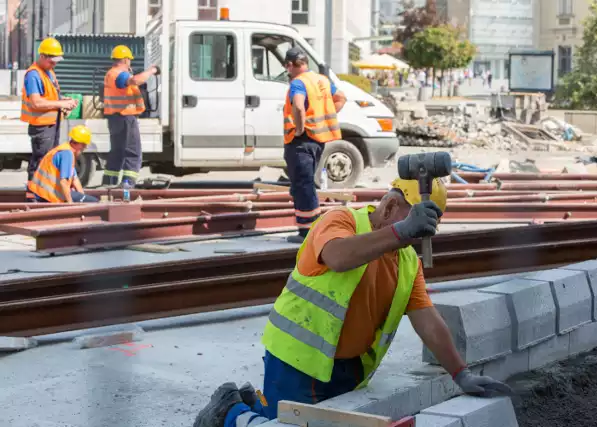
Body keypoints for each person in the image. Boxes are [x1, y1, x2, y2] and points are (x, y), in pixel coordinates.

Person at [193, 178, 512, 427]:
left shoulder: (406, 263)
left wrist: (460, 373)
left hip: (348, 368)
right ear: (389, 206)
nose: (416, 235)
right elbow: (338, 256)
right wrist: (401, 232)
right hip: (298, 358)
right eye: (413, 221)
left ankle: (254, 405)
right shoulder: (340, 220)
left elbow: (426, 320)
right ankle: (230, 413)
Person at [282, 47, 347, 244]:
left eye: (288, 67)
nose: (287, 71)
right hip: (318, 140)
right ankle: (312, 228)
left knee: (303, 185)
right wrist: (323, 118)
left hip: (301, 140)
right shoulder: (322, 80)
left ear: (292, 65)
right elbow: (341, 98)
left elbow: (299, 106)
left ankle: (307, 233)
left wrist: (300, 128)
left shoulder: (298, 83)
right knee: (306, 183)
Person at [21, 37, 78, 202]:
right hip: (41, 126)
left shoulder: (48, 72)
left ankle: (44, 195)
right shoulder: (34, 75)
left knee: (48, 161)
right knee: (40, 161)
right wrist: (61, 103)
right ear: (43, 56)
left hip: (51, 125)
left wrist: (64, 101)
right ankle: (33, 197)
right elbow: (36, 102)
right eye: (52, 61)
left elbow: (51, 96)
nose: (55, 65)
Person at [101, 45, 158, 188]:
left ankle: (109, 182)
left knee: (117, 151)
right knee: (133, 151)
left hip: (115, 117)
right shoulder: (119, 74)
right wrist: (152, 70)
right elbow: (135, 81)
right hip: (125, 116)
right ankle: (127, 183)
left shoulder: (111, 73)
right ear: (126, 60)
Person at [27, 125, 99, 204]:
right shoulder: (67, 154)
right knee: (94, 202)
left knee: (86, 200)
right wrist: (70, 203)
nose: (84, 148)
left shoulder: (66, 149)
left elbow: (75, 179)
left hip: (41, 193)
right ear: (79, 143)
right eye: (84, 145)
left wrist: (82, 196)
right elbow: (63, 182)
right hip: (49, 195)